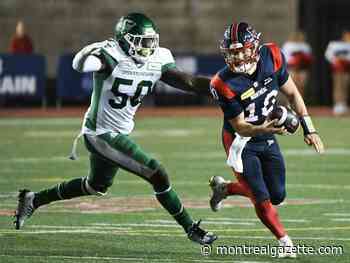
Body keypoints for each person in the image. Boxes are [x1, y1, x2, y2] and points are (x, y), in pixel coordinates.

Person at [14, 13, 217, 245]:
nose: (148, 46)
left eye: (150, 40)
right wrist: (92, 49)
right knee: (157, 173)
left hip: (118, 133)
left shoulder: (159, 58)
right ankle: (191, 228)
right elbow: (78, 65)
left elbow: (188, 82)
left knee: (95, 186)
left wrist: (220, 89)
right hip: (100, 134)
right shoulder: (110, 56)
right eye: (141, 41)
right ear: (125, 40)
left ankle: (34, 199)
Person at [208, 22, 324, 258]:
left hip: (266, 134)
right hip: (241, 141)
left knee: (277, 195)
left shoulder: (272, 55)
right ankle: (285, 242)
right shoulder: (222, 82)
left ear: (254, 46)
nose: (238, 56)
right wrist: (264, 128)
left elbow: (292, 93)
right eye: (233, 52)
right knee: (261, 198)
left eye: (242, 50)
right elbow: (239, 125)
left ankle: (225, 188)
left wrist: (309, 128)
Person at [325, 30, 350, 115]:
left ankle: (343, 104)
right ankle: (337, 105)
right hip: (337, 69)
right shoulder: (334, 44)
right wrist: (336, 61)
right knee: (337, 86)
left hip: (346, 69)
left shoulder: (348, 45)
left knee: (345, 86)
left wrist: (345, 59)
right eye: (346, 35)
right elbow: (328, 55)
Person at [282, 31, 313, 97]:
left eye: (301, 36)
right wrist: (294, 60)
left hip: (302, 69)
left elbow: (309, 58)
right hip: (291, 68)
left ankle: (300, 103)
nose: (299, 37)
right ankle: (289, 105)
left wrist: (302, 59)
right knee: (291, 87)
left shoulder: (305, 46)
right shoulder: (288, 45)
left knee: (301, 86)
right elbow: (284, 57)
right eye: (297, 36)